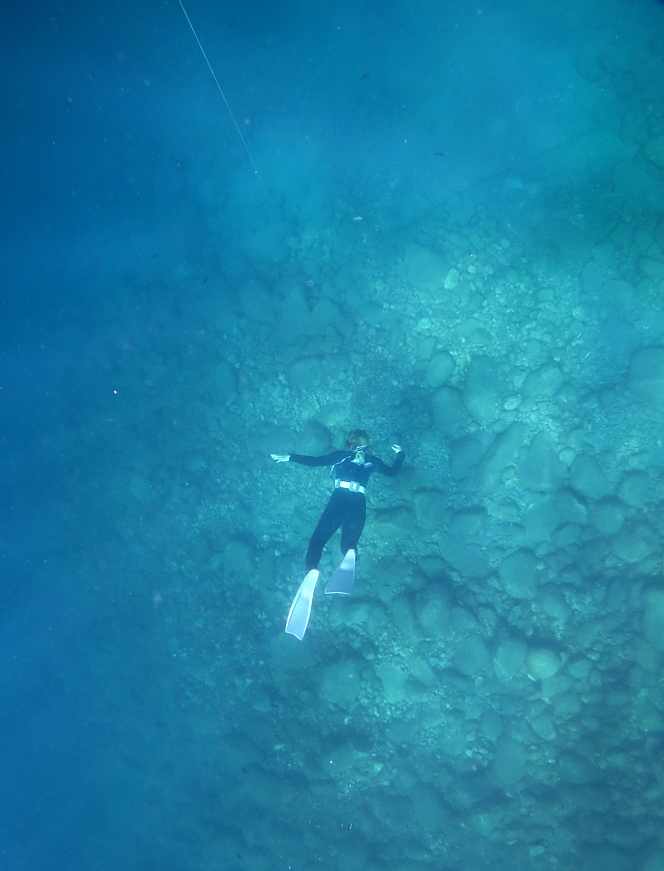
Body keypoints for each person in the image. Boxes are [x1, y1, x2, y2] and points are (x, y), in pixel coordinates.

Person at [271, 430, 405, 639]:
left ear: (349, 445)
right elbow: (392, 472)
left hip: (338, 502)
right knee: (347, 545)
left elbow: (315, 462)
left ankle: (312, 571)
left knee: (317, 541)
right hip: (358, 504)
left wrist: (290, 457)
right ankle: (351, 553)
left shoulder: (340, 456)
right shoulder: (372, 462)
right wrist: (401, 454)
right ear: (366, 447)